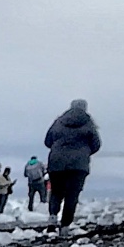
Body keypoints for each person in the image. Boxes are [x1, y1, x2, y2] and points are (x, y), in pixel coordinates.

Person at [43, 98, 100, 228]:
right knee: (72, 194)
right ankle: (65, 226)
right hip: (78, 165)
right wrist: (84, 153)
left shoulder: (58, 122)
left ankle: (52, 217)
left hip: (56, 163)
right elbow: (96, 144)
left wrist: (58, 149)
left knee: (56, 191)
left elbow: (47, 141)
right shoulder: (89, 124)